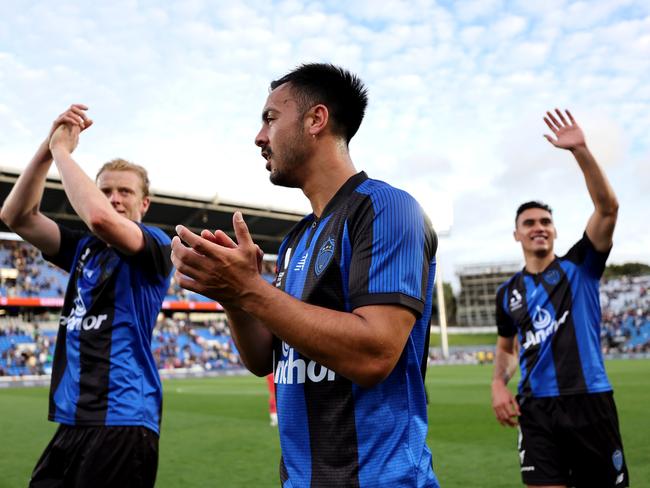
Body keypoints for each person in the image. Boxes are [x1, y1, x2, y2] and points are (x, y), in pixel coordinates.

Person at [171, 63, 440, 487]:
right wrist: (233, 297)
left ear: (316, 119)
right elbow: (263, 359)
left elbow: (374, 354)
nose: (259, 137)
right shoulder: (297, 237)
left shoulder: (387, 208)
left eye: (270, 119)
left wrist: (250, 288)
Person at [0, 105, 173, 488]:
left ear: (144, 203)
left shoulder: (156, 245)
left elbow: (100, 219)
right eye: (104, 190)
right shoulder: (84, 249)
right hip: (74, 419)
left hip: (124, 418)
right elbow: (17, 216)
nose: (113, 198)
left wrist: (63, 152)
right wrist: (47, 149)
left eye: (125, 191)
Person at [491, 109, 628, 488]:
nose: (538, 228)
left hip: (589, 400)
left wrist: (580, 150)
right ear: (517, 235)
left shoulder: (581, 266)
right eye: (529, 223)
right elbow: (507, 348)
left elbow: (608, 209)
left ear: (554, 231)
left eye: (545, 222)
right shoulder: (508, 293)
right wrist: (498, 384)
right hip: (536, 409)